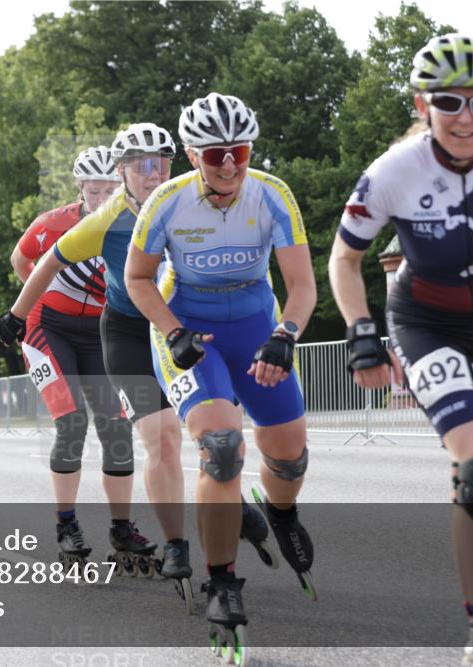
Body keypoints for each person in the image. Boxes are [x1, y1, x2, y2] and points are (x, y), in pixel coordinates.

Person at [328, 34, 473, 666]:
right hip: (425, 320)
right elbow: (344, 259)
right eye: (450, 101)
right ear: (422, 102)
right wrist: (360, 333)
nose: (467, 117)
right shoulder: (394, 171)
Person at [124, 93, 318, 644]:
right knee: (223, 449)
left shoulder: (273, 193)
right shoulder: (166, 202)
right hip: (192, 329)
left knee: (290, 456)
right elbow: (138, 279)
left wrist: (287, 335)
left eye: (239, 149)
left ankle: (280, 513)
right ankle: (222, 580)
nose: (229, 163)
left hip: (258, 324)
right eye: (214, 155)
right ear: (191, 155)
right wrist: (172, 330)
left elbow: (302, 284)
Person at [0, 146, 155, 570]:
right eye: (94, 190)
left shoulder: (132, 221)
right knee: (72, 422)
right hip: (49, 328)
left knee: (117, 429)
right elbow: (20, 257)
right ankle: (66, 523)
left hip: (99, 331)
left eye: (110, 189)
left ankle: (122, 528)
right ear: (79, 188)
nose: (102, 198)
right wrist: (38, 293)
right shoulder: (52, 224)